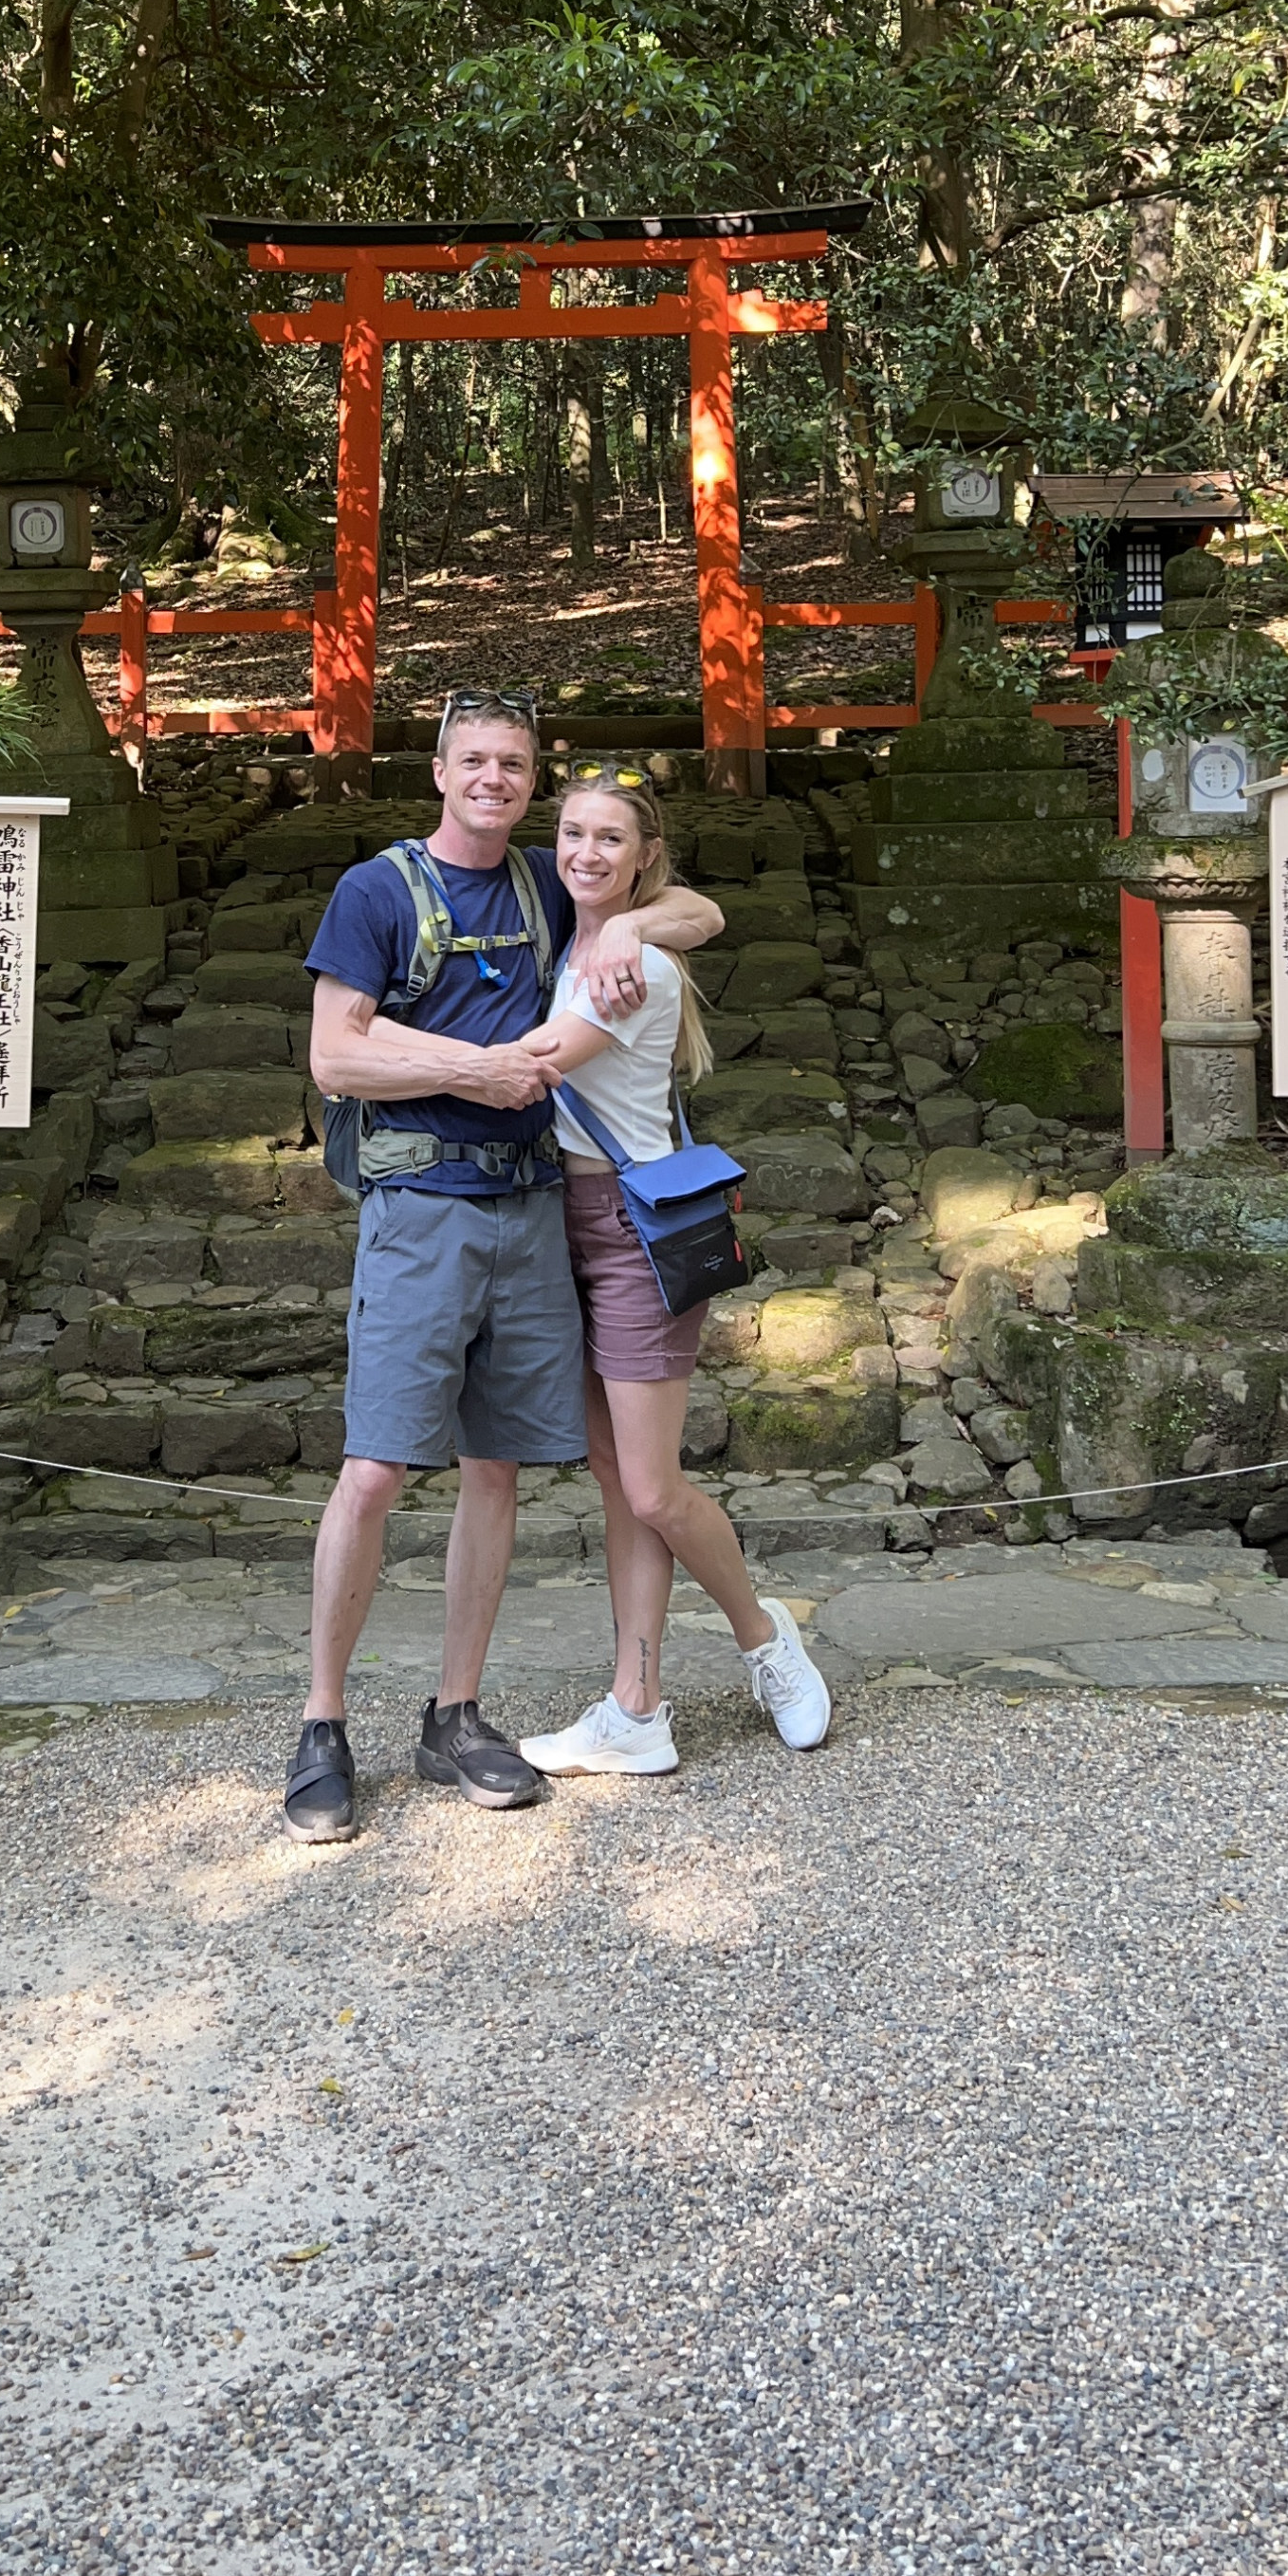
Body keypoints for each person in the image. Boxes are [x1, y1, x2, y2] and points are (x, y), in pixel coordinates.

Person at [285, 692, 725, 1844]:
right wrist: (471, 1069)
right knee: (374, 1469)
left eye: (514, 764)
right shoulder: (377, 890)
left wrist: (631, 930)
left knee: (496, 1469)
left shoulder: (544, 878)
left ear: (532, 782)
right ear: (438, 770)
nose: (494, 778)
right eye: (474, 759)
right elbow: (333, 1054)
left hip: (531, 1208)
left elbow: (695, 903)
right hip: (422, 1208)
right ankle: (323, 1721)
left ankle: (456, 1712)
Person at [518, 769, 831, 1777]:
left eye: (612, 838)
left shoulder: (635, 965)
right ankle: (637, 1708)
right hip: (554, 1222)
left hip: (629, 1226)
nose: (587, 853)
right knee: (617, 1479)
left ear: (646, 853)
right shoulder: (565, 929)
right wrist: (626, 920)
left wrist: (374, 1053)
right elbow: (702, 909)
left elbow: (535, 1064)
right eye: (572, 832)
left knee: (652, 1486)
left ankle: (765, 1638)